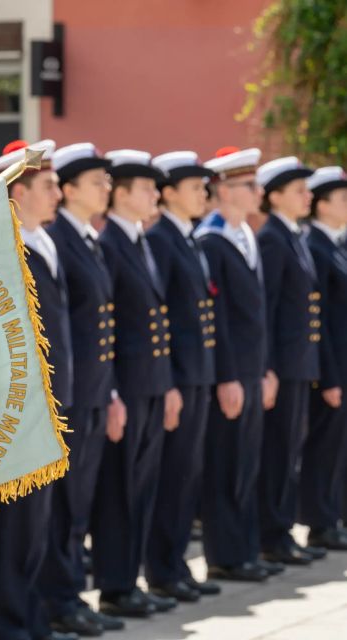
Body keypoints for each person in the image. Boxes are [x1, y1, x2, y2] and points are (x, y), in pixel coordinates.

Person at [0, 139, 76, 640]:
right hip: (21, 407)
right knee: (16, 528)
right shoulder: (5, 245)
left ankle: (33, 617)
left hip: (51, 406)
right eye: (48, 185)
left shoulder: (45, 239)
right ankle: (11, 623)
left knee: (41, 523)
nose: (58, 195)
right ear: (16, 192)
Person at [40, 142, 125, 637]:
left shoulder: (86, 240)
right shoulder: (61, 241)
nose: (105, 189)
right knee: (63, 504)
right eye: (97, 182)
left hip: (92, 390)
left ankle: (69, 592)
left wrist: (110, 392)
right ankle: (59, 597)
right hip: (68, 395)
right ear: (70, 190)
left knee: (79, 504)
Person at [91, 149, 176, 618]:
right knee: (119, 489)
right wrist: (116, 392)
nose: (154, 196)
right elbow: (115, 329)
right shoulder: (110, 245)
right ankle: (115, 584)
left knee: (141, 486)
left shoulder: (139, 242)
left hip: (151, 383)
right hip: (127, 384)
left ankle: (131, 577)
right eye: (145, 188)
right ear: (121, 194)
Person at [143, 151, 221, 601]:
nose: (202, 195)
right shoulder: (161, 240)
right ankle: (163, 568)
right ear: (169, 193)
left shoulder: (186, 237)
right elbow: (162, 319)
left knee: (187, 473)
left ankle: (176, 566)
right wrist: (171, 380)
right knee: (172, 475)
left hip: (198, 373)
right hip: (178, 376)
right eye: (194, 187)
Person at [195, 147, 275, 582]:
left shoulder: (245, 236)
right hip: (231, 372)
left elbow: (257, 317)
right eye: (249, 185)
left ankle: (243, 548)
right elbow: (219, 319)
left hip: (252, 368)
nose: (257, 192)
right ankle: (225, 554)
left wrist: (265, 369)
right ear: (225, 190)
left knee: (247, 462)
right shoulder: (213, 240)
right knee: (226, 462)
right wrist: (227, 375)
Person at [255, 156, 326, 566]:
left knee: (289, 450)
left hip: (300, 363)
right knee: (278, 451)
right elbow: (269, 308)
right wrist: (270, 367)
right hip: (282, 365)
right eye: (298, 191)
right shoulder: (272, 239)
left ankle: (281, 532)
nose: (307, 197)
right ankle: (273, 534)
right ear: (276, 196)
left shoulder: (292, 235)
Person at [300, 166, 347, 550]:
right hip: (332, 364)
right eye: (343, 198)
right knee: (324, 445)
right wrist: (329, 376)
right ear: (322, 204)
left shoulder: (336, 244)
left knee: (339, 445)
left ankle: (335, 514)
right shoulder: (314, 245)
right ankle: (320, 519)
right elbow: (323, 321)